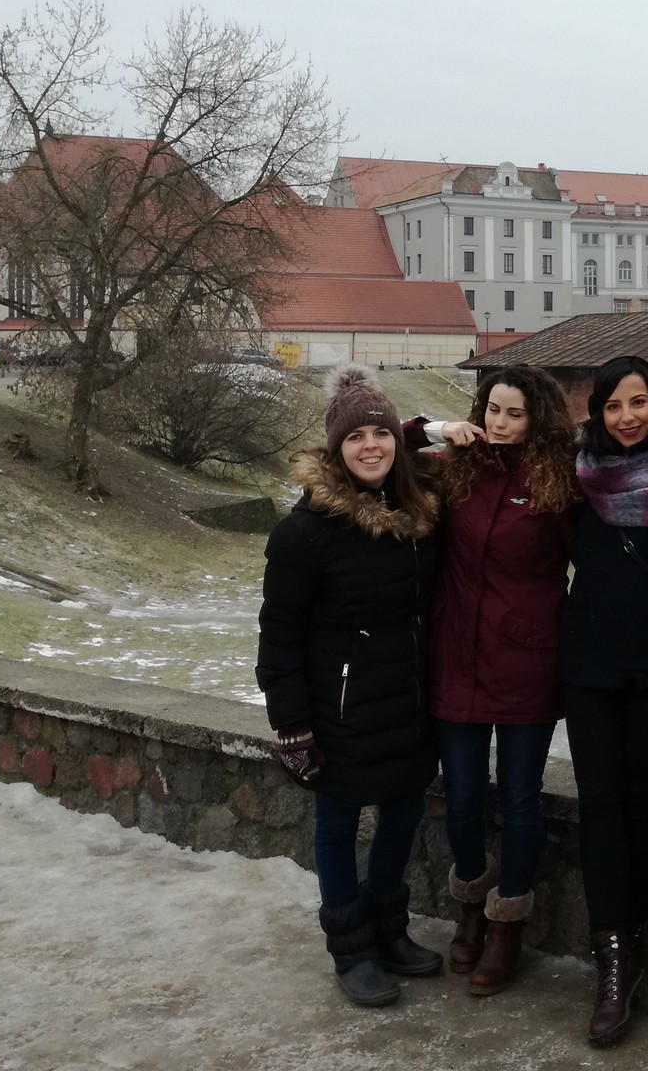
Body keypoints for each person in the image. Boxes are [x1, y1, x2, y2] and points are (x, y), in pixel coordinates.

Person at [255, 365, 444, 1008]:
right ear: (336, 448)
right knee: (337, 824)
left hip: (410, 702)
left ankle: (390, 931)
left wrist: (433, 430)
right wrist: (292, 725)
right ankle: (352, 948)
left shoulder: (415, 516)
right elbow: (278, 638)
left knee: (403, 815)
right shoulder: (303, 534)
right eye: (357, 435)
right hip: (338, 709)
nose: (372, 446)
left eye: (382, 433)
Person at [419, 366, 578, 997]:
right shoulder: (457, 468)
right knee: (460, 795)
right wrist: (436, 428)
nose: (498, 422)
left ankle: (507, 924)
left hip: (526, 660)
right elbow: (373, 446)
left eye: (512, 412)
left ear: (536, 417)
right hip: (456, 654)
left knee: (518, 799)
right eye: (490, 409)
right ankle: (468, 905)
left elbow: (591, 557)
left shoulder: (557, 480)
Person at [560, 356, 648, 1046]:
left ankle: (632, 943)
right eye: (614, 406)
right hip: (588, 665)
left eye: (639, 403)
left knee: (641, 806)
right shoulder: (575, 473)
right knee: (600, 804)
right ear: (597, 413)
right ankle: (612, 957)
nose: (628, 417)